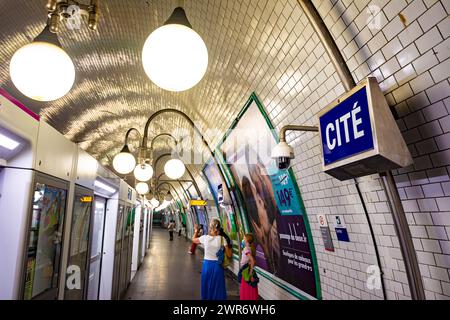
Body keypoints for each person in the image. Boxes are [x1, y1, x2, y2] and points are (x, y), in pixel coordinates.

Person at [192, 218, 232, 300]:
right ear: (219, 227)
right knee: (218, 287)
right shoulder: (222, 239)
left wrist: (196, 231)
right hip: (218, 266)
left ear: (210, 227)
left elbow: (193, 240)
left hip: (207, 266)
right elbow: (229, 255)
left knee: (207, 286)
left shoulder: (205, 238)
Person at [238, 234, 259, 300]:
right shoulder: (249, 248)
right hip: (246, 268)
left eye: (244, 238)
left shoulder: (246, 249)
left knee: (245, 287)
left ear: (247, 240)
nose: (243, 240)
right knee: (248, 287)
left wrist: (250, 273)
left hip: (245, 270)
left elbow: (252, 260)